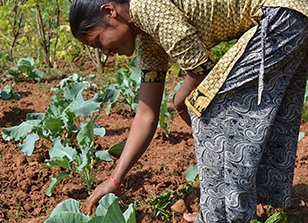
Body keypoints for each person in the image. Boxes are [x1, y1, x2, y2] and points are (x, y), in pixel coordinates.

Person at [69, 0, 308, 222]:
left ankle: (219, 215)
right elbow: (146, 114)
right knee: (248, 110)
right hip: (290, 15)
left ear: (109, 12)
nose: (106, 54)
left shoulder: (145, 6)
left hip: (280, 15)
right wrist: (115, 179)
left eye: (99, 42)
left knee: (210, 108)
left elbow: (201, 68)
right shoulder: (148, 40)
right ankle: (227, 209)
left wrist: (181, 98)